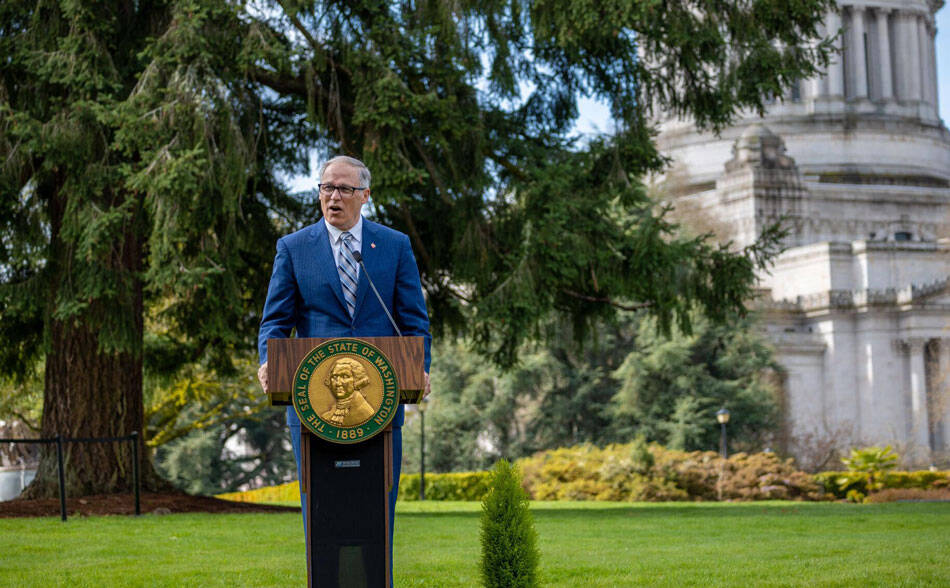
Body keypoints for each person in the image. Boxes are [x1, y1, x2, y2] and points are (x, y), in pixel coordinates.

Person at [257, 155, 431, 578]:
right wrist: (268, 360)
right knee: (322, 516)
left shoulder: (393, 246)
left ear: (364, 196)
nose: (333, 197)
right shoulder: (293, 248)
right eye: (326, 188)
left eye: (344, 189)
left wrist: (420, 365)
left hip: (381, 406)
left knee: (376, 514)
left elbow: (413, 320)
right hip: (313, 407)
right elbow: (276, 321)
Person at [320, 357, 377, 427]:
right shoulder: (328, 415)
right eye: (334, 377)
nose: (338, 383)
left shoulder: (366, 413)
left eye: (344, 376)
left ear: (357, 380)